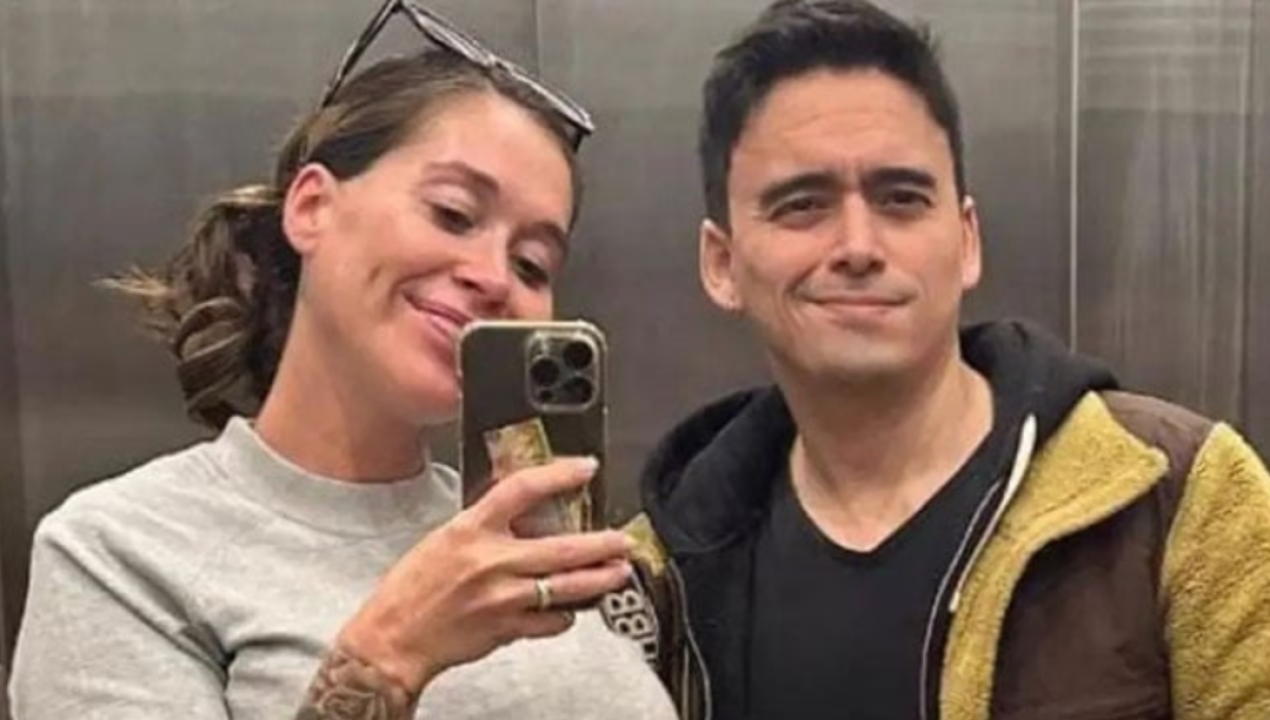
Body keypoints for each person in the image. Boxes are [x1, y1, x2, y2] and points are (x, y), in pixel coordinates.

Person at [7, 2, 677, 719]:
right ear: (311, 207)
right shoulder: (120, 553)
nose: (492, 276)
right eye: (452, 213)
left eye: (532, 263)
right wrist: (391, 654)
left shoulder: (540, 541)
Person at [617, 1, 1270, 719]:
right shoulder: (658, 578)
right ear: (722, 263)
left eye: (901, 199)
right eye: (802, 205)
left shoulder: (1178, 498)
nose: (859, 246)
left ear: (966, 241)